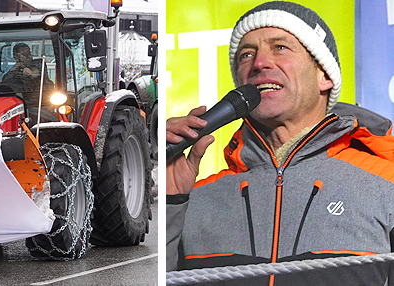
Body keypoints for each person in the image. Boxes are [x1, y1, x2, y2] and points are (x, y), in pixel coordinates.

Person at [166, 2, 394, 284]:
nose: (259, 63)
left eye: (280, 47)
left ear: (325, 75)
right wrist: (171, 202)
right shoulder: (194, 198)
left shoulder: (386, 185)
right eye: (246, 54)